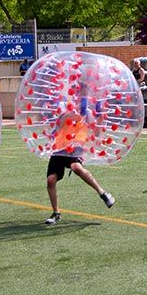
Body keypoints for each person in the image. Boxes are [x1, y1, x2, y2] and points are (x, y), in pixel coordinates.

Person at [44, 94, 115, 225]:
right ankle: (56, 213)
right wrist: (69, 114)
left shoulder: (87, 112)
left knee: (76, 168)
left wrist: (100, 117)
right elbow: (58, 126)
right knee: (51, 180)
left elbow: (97, 131)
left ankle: (103, 193)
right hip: (60, 147)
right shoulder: (62, 107)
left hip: (76, 146)